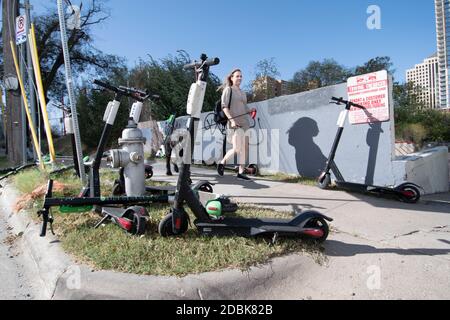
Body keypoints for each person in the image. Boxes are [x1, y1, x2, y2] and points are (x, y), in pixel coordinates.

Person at [217, 69, 256, 181]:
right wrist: (232, 120)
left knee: (245, 148)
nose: (239, 78)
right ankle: (222, 163)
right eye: (237, 76)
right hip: (234, 122)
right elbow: (224, 107)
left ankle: (241, 172)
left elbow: (245, 107)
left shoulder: (243, 92)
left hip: (245, 122)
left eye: (241, 76)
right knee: (237, 148)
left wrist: (250, 110)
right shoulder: (228, 90)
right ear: (231, 78)